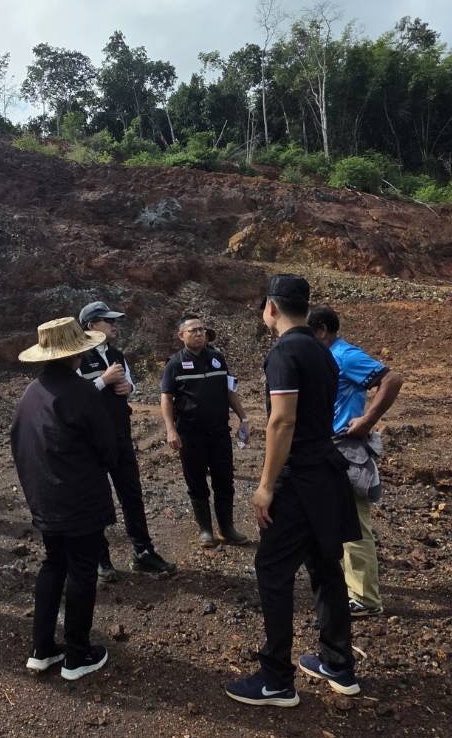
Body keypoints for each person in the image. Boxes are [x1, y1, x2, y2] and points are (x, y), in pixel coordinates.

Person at [226, 275, 361, 708]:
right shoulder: (323, 353)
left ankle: (276, 679)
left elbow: (281, 421)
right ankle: (338, 664)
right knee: (326, 568)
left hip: (299, 479)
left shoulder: (284, 352)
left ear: (270, 308)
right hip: (327, 474)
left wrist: (265, 487)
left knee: (273, 571)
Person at [10, 317, 118, 680]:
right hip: (80, 499)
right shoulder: (82, 392)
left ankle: (42, 648)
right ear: (77, 353)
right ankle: (76, 654)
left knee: (53, 563)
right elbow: (108, 448)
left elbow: (17, 443)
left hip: (45, 499)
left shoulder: (32, 392)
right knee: (82, 571)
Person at [308, 306, 404, 617]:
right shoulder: (326, 357)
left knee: (354, 524)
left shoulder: (345, 355)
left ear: (321, 329)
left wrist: (366, 419)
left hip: (346, 449)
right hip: (329, 447)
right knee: (337, 521)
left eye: (308, 333)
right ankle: (350, 587)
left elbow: (391, 379)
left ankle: (365, 599)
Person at [77, 301, 176, 578]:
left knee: (132, 494)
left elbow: (129, 384)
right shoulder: (76, 356)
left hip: (120, 436)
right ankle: (101, 558)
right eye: (108, 321)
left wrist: (127, 386)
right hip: (90, 443)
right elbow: (71, 398)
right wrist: (103, 381)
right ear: (91, 325)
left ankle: (143, 552)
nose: (114, 325)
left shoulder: (118, 354)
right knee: (96, 498)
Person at [159, 314, 250, 548]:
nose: (199, 333)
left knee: (224, 481)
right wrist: (171, 430)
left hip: (219, 432)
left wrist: (244, 418)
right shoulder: (175, 364)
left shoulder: (218, 359)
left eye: (201, 329)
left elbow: (230, 392)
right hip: (190, 434)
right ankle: (205, 530)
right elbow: (166, 399)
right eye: (193, 330)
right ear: (182, 336)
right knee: (197, 482)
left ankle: (227, 528)